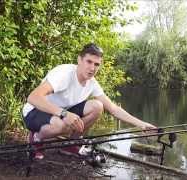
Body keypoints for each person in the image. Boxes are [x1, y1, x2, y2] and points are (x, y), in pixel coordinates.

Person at [22, 43, 157, 159]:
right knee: (61, 125)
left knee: (98, 106)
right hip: (35, 111)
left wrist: (141, 124)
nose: (92, 68)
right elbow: (33, 97)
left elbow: (113, 109)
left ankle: (71, 145)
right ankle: (36, 139)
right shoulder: (64, 74)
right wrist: (64, 114)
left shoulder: (92, 83)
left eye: (96, 64)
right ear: (79, 60)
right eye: (89, 62)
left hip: (59, 113)